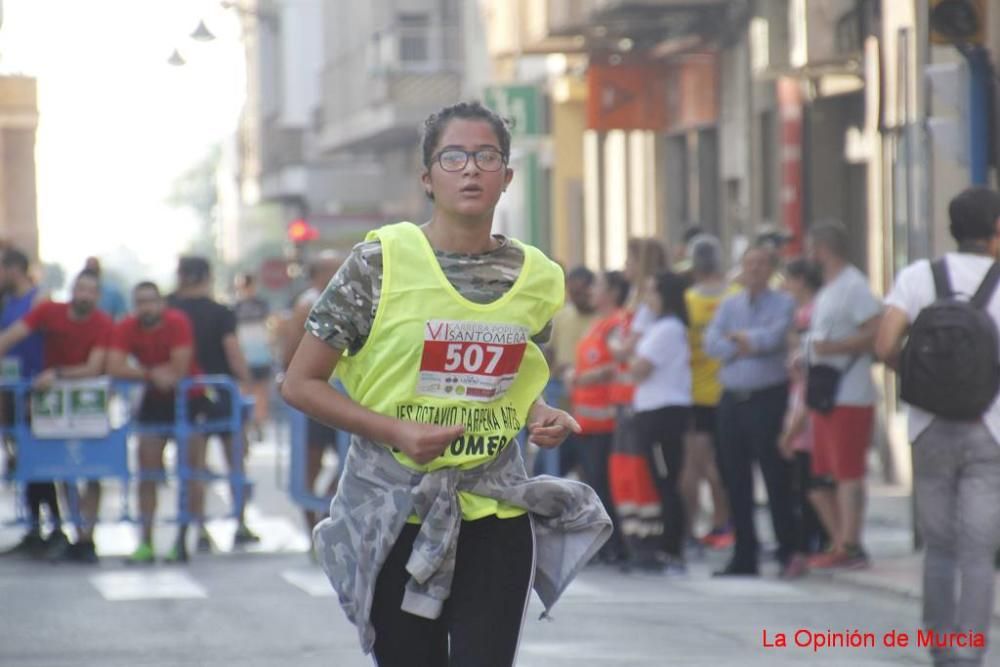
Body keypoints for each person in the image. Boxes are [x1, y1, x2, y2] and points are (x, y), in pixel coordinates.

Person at [281, 101, 610, 666]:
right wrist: (394, 431)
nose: (471, 169)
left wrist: (538, 415)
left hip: (497, 515)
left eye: (487, 156)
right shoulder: (377, 264)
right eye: (453, 157)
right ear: (427, 177)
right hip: (395, 513)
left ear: (506, 177)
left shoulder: (538, 277)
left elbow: (507, 377)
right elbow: (300, 383)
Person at [876, 187, 1000, 667]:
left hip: (928, 429)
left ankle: (941, 649)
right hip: (989, 428)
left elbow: (886, 342)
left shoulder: (918, 277)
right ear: (994, 230)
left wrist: (921, 385)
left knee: (940, 545)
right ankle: (970, 652)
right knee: (978, 547)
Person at [0, 269, 113, 562]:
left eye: (91, 291)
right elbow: (11, 336)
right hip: (51, 403)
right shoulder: (50, 311)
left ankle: (87, 537)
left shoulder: (103, 323)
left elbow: (94, 367)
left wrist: (58, 374)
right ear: (72, 290)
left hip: (85, 402)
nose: (84, 295)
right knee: (60, 470)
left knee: (91, 470)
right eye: (80, 288)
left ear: (97, 296)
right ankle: (68, 530)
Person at [705, 244, 797, 577]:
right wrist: (744, 343)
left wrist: (743, 340)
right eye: (749, 264)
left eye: (761, 264)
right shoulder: (729, 305)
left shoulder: (784, 303)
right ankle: (744, 554)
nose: (754, 269)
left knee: (775, 477)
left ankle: (787, 549)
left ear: (771, 268)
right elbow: (711, 343)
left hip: (767, 398)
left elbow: (772, 340)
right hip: (732, 398)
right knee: (735, 479)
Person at [108, 282, 208, 564]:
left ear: (161, 303)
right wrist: (151, 374)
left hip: (190, 396)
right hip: (153, 396)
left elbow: (178, 368)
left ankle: (183, 538)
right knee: (147, 470)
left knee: (191, 471)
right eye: (140, 302)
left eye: (151, 301)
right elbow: (114, 366)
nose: (146, 307)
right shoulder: (127, 326)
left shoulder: (177, 322)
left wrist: (142, 373)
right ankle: (147, 542)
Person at [805, 220, 881, 570]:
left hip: (850, 392)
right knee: (823, 473)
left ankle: (851, 544)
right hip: (825, 392)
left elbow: (876, 331)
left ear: (822, 249)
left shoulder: (854, 286)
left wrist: (833, 347)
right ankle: (839, 540)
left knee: (848, 471)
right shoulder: (828, 288)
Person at [168, 256, 258, 549]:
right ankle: (240, 522)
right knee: (235, 460)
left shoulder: (169, 309)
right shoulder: (220, 312)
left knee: (193, 465)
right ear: (207, 277)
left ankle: (200, 527)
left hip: (186, 393)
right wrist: (247, 382)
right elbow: (232, 350)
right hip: (222, 391)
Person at [630, 271, 693, 574]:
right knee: (659, 480)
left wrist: (628, 360)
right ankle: (664, 544)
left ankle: (672, 548)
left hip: (663, 413)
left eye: (653, 293)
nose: (648, 299)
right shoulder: (656, 326)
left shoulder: (668, 328)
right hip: (652, 410)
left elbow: (640, 368)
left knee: (667, 480)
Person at [280, 250, 343, 533]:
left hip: (346, 396)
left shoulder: (352, 298)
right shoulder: (307, 304)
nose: (340, 273)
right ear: (317, 275)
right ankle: (312, 527)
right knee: (311, 463)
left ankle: (324, 517)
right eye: (332, 269)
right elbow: (291, 352)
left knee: (348, 462)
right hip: (317, 396)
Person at [568, 270, 629, 564]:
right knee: (595, 484)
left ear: (614, 292)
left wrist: (581, 378)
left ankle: (616, 545)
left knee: (606, 486)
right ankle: (605, 544)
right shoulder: (597, 325)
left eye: (599, 286)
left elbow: (613, 367)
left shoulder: (617, 324)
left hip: (607, 420)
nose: (593, 290)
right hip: (588, 421)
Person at [0, 248, 58, 559]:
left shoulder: (38, 301)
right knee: (23, 461)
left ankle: (56, 526)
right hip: (12, 391)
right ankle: (34, 527)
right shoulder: (7, 303)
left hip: (37, 390)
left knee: (42, 461)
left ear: (14, 269)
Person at [681, 234, 736, 551]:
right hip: (729, 391)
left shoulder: (688, 302)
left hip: (696, 394)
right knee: (724, 464)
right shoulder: (735, 296)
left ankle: (689, 528)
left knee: (695, 466)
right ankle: (722, 523)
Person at [777, 258, 830, 578]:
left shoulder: (812, 313)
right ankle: (812, 544)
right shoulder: (800, 314)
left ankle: (813, 544)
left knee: (810, 482)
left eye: (789, 280)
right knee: (802, 484)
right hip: (797, 402)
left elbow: (810, 375)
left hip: (808, 408)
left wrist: (790, 430)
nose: (784, 286)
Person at [547, 265, 596, 477]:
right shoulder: (561, 317)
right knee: (548, 469)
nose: (577, 298)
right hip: (562, 409)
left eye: (582, 293)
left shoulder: (601, 320)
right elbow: (549, 355)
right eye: (573, 293)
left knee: (591, 471)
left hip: (591, 412)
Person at [233, 273, 272, 437]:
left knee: (260, 391)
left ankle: (258, 422)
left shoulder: (262, 305)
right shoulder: (234, 307)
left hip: (261, 354)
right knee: (244, 391)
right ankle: (247, 424)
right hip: (244, 355)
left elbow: (271, 326)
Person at [84, 256, 128, 321]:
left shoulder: (113, 293)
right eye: (89, 270)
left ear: (99, 271)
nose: (91, 273)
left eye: (94, 269)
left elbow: (122, 317)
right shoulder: (80, 293)